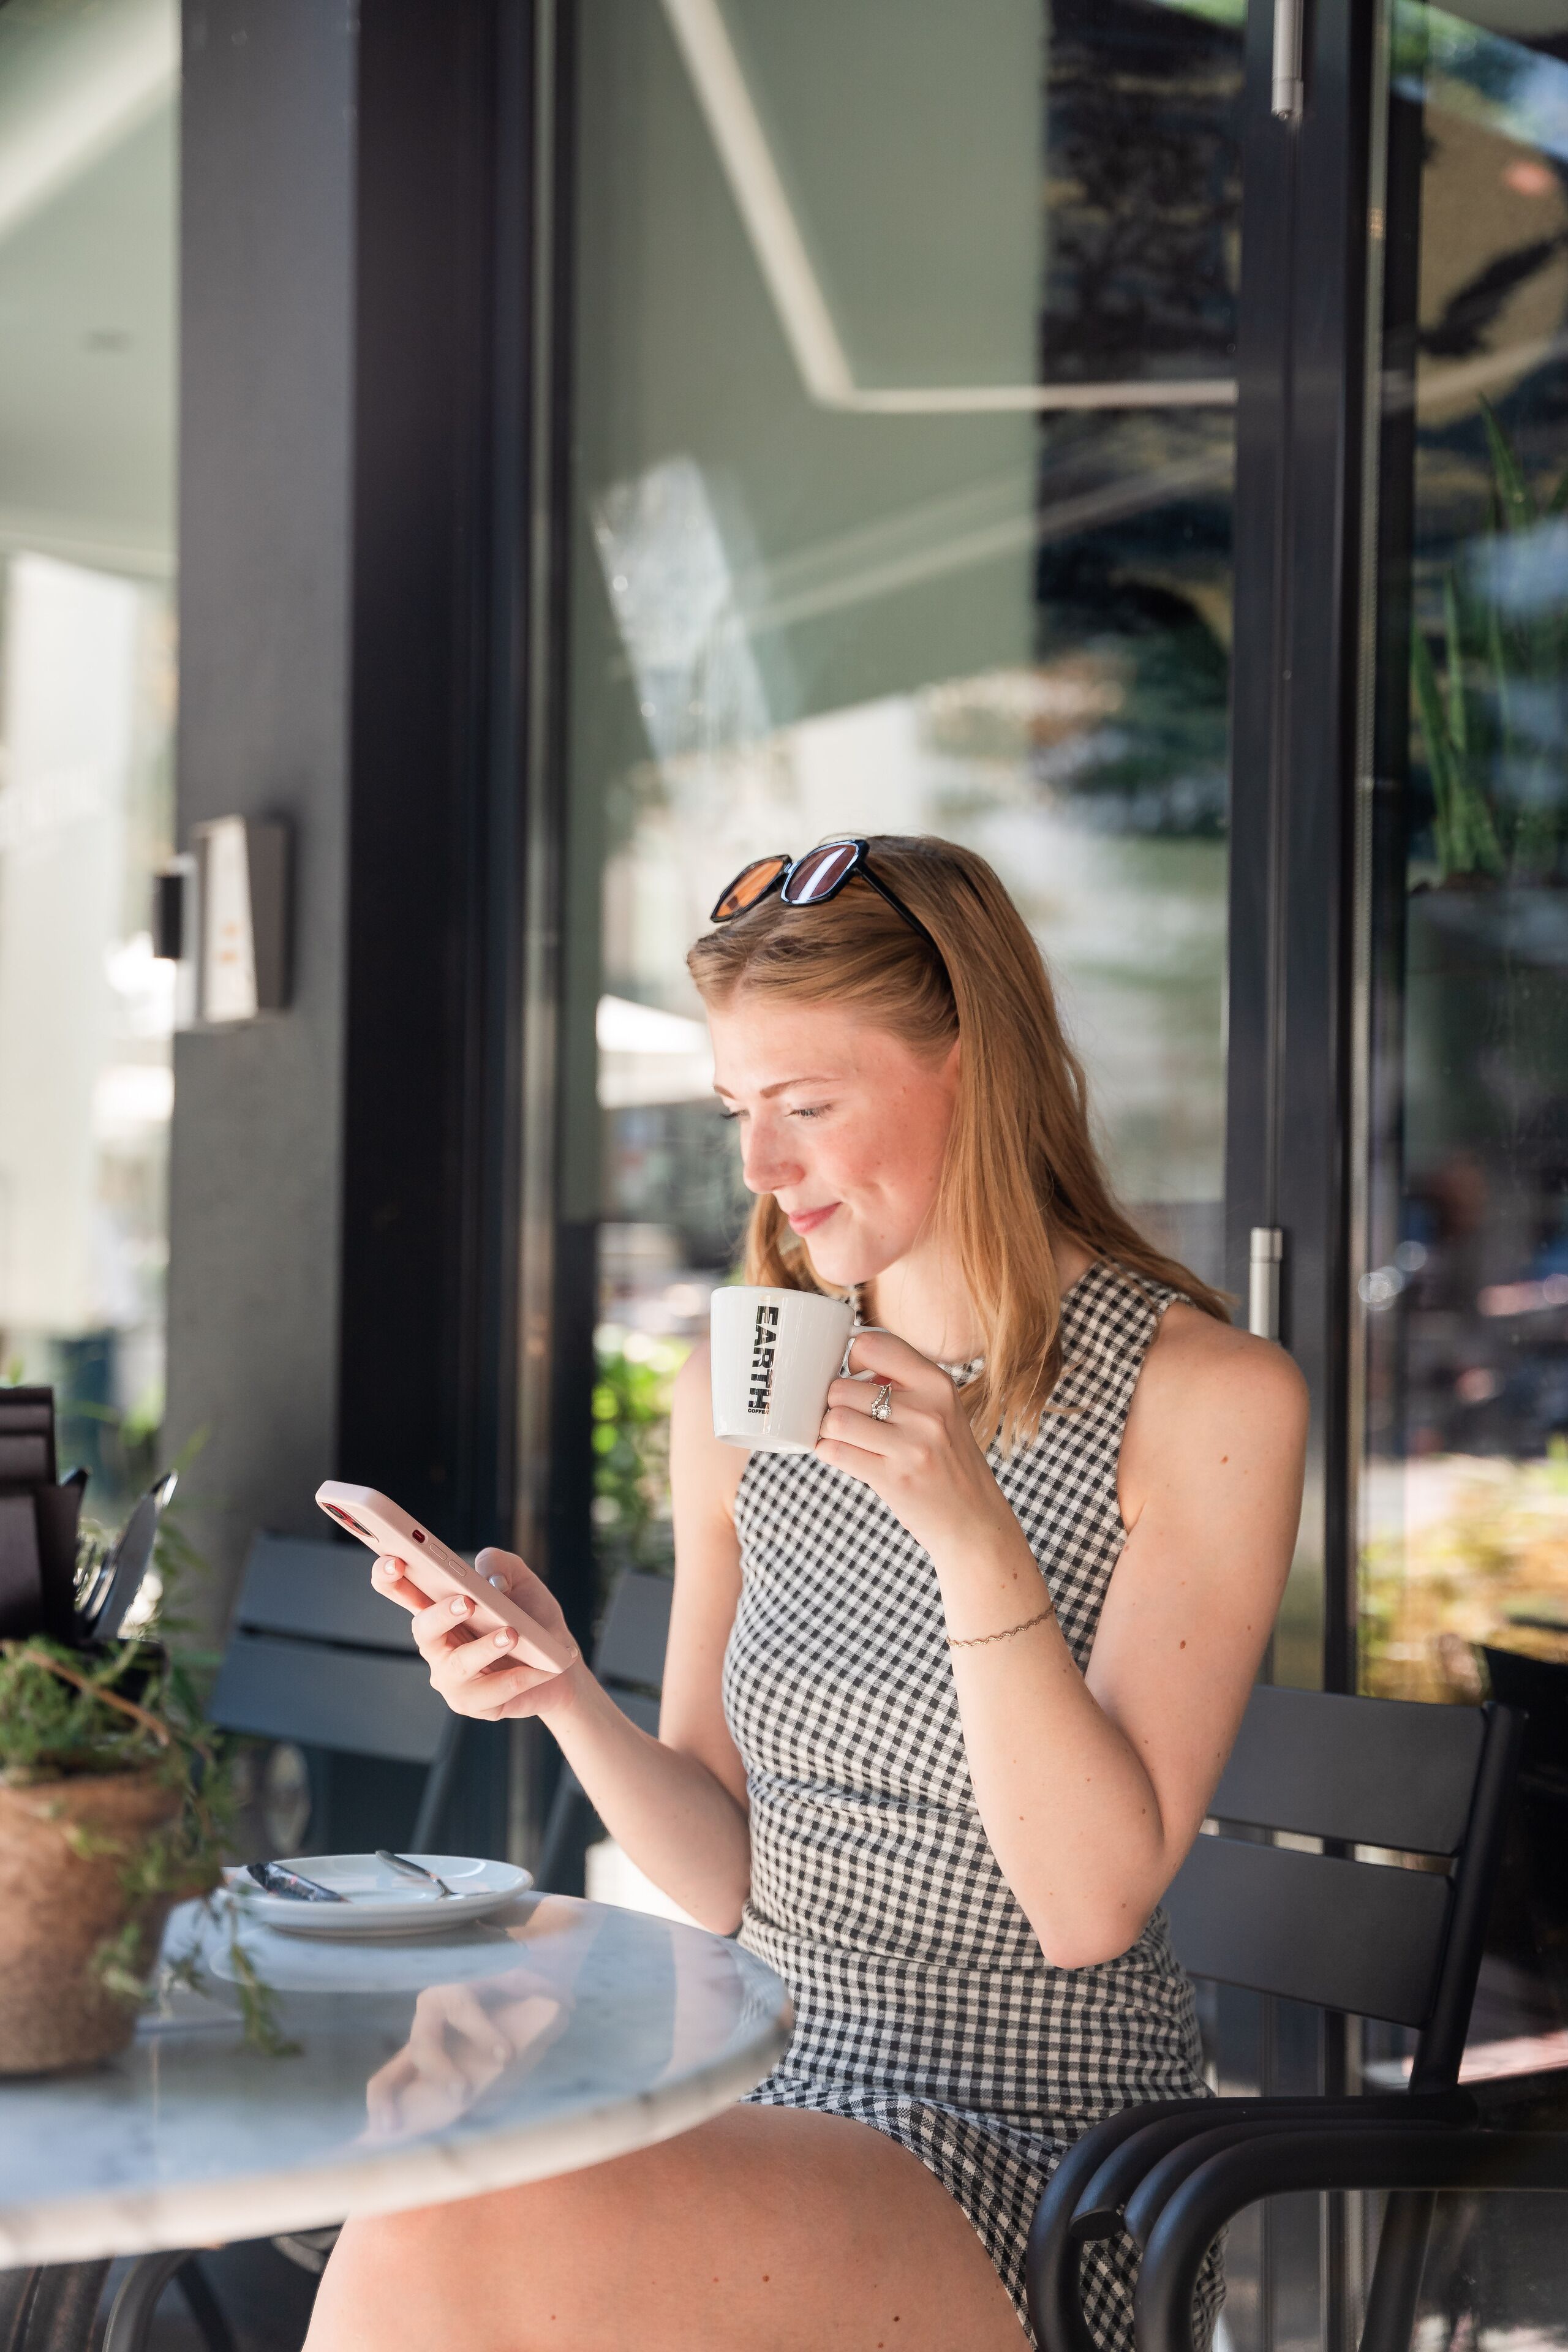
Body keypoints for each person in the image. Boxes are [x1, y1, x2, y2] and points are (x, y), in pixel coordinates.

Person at [306, 834, 1306, 2352]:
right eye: (737, 1113)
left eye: (808, 1106)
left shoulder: (1200, 1397)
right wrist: (564, 1692)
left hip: (1040, 2162)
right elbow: (723, 1878)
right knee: (432, 2141)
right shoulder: (749, 1379)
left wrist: (970, 1531)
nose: (762, 1169)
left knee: (451, 2197)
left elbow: (1088, 1901)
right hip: (766, 2085)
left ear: (972, 1064)